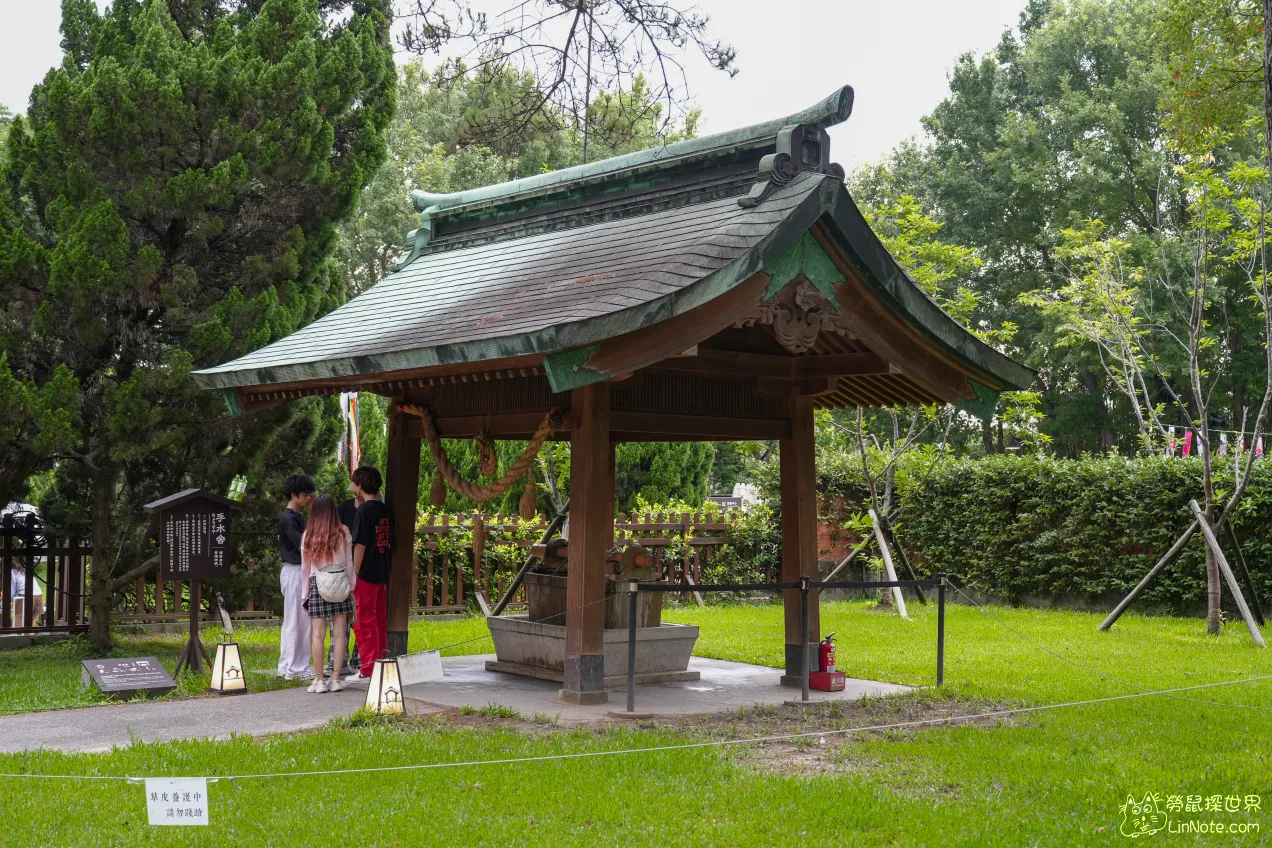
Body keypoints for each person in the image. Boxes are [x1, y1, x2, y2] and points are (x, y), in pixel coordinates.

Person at [300, 495, 356, 693]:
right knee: (340, 635)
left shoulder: (309, 534)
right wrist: (351, 586)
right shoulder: (344, 532)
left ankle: (318, 681)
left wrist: (304, 594)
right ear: (334, 510)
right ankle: (335, 679)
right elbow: (349, 562)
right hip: (340, 582)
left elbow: (305, 569)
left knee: (318, 635)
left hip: (318, 583)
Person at [347, 466, 392, 680]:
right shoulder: (385, 509)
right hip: (382, 572)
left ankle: (367, 669)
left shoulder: (364, 511)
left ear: (361, 486)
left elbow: (360, 546)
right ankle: (381, 663)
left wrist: (353, 575)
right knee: (380, 622)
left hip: (365, 575)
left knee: (364, 624)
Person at [277, 474, 316, 680]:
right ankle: (295, 668)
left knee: (295, 620)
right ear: (294, 495)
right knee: (298, 621)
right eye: (305, 494)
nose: (309, 497)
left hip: (295, 571)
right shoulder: (290, 518)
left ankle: (288, 665)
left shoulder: (295, 516)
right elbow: (305, 545)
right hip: (295, 571)